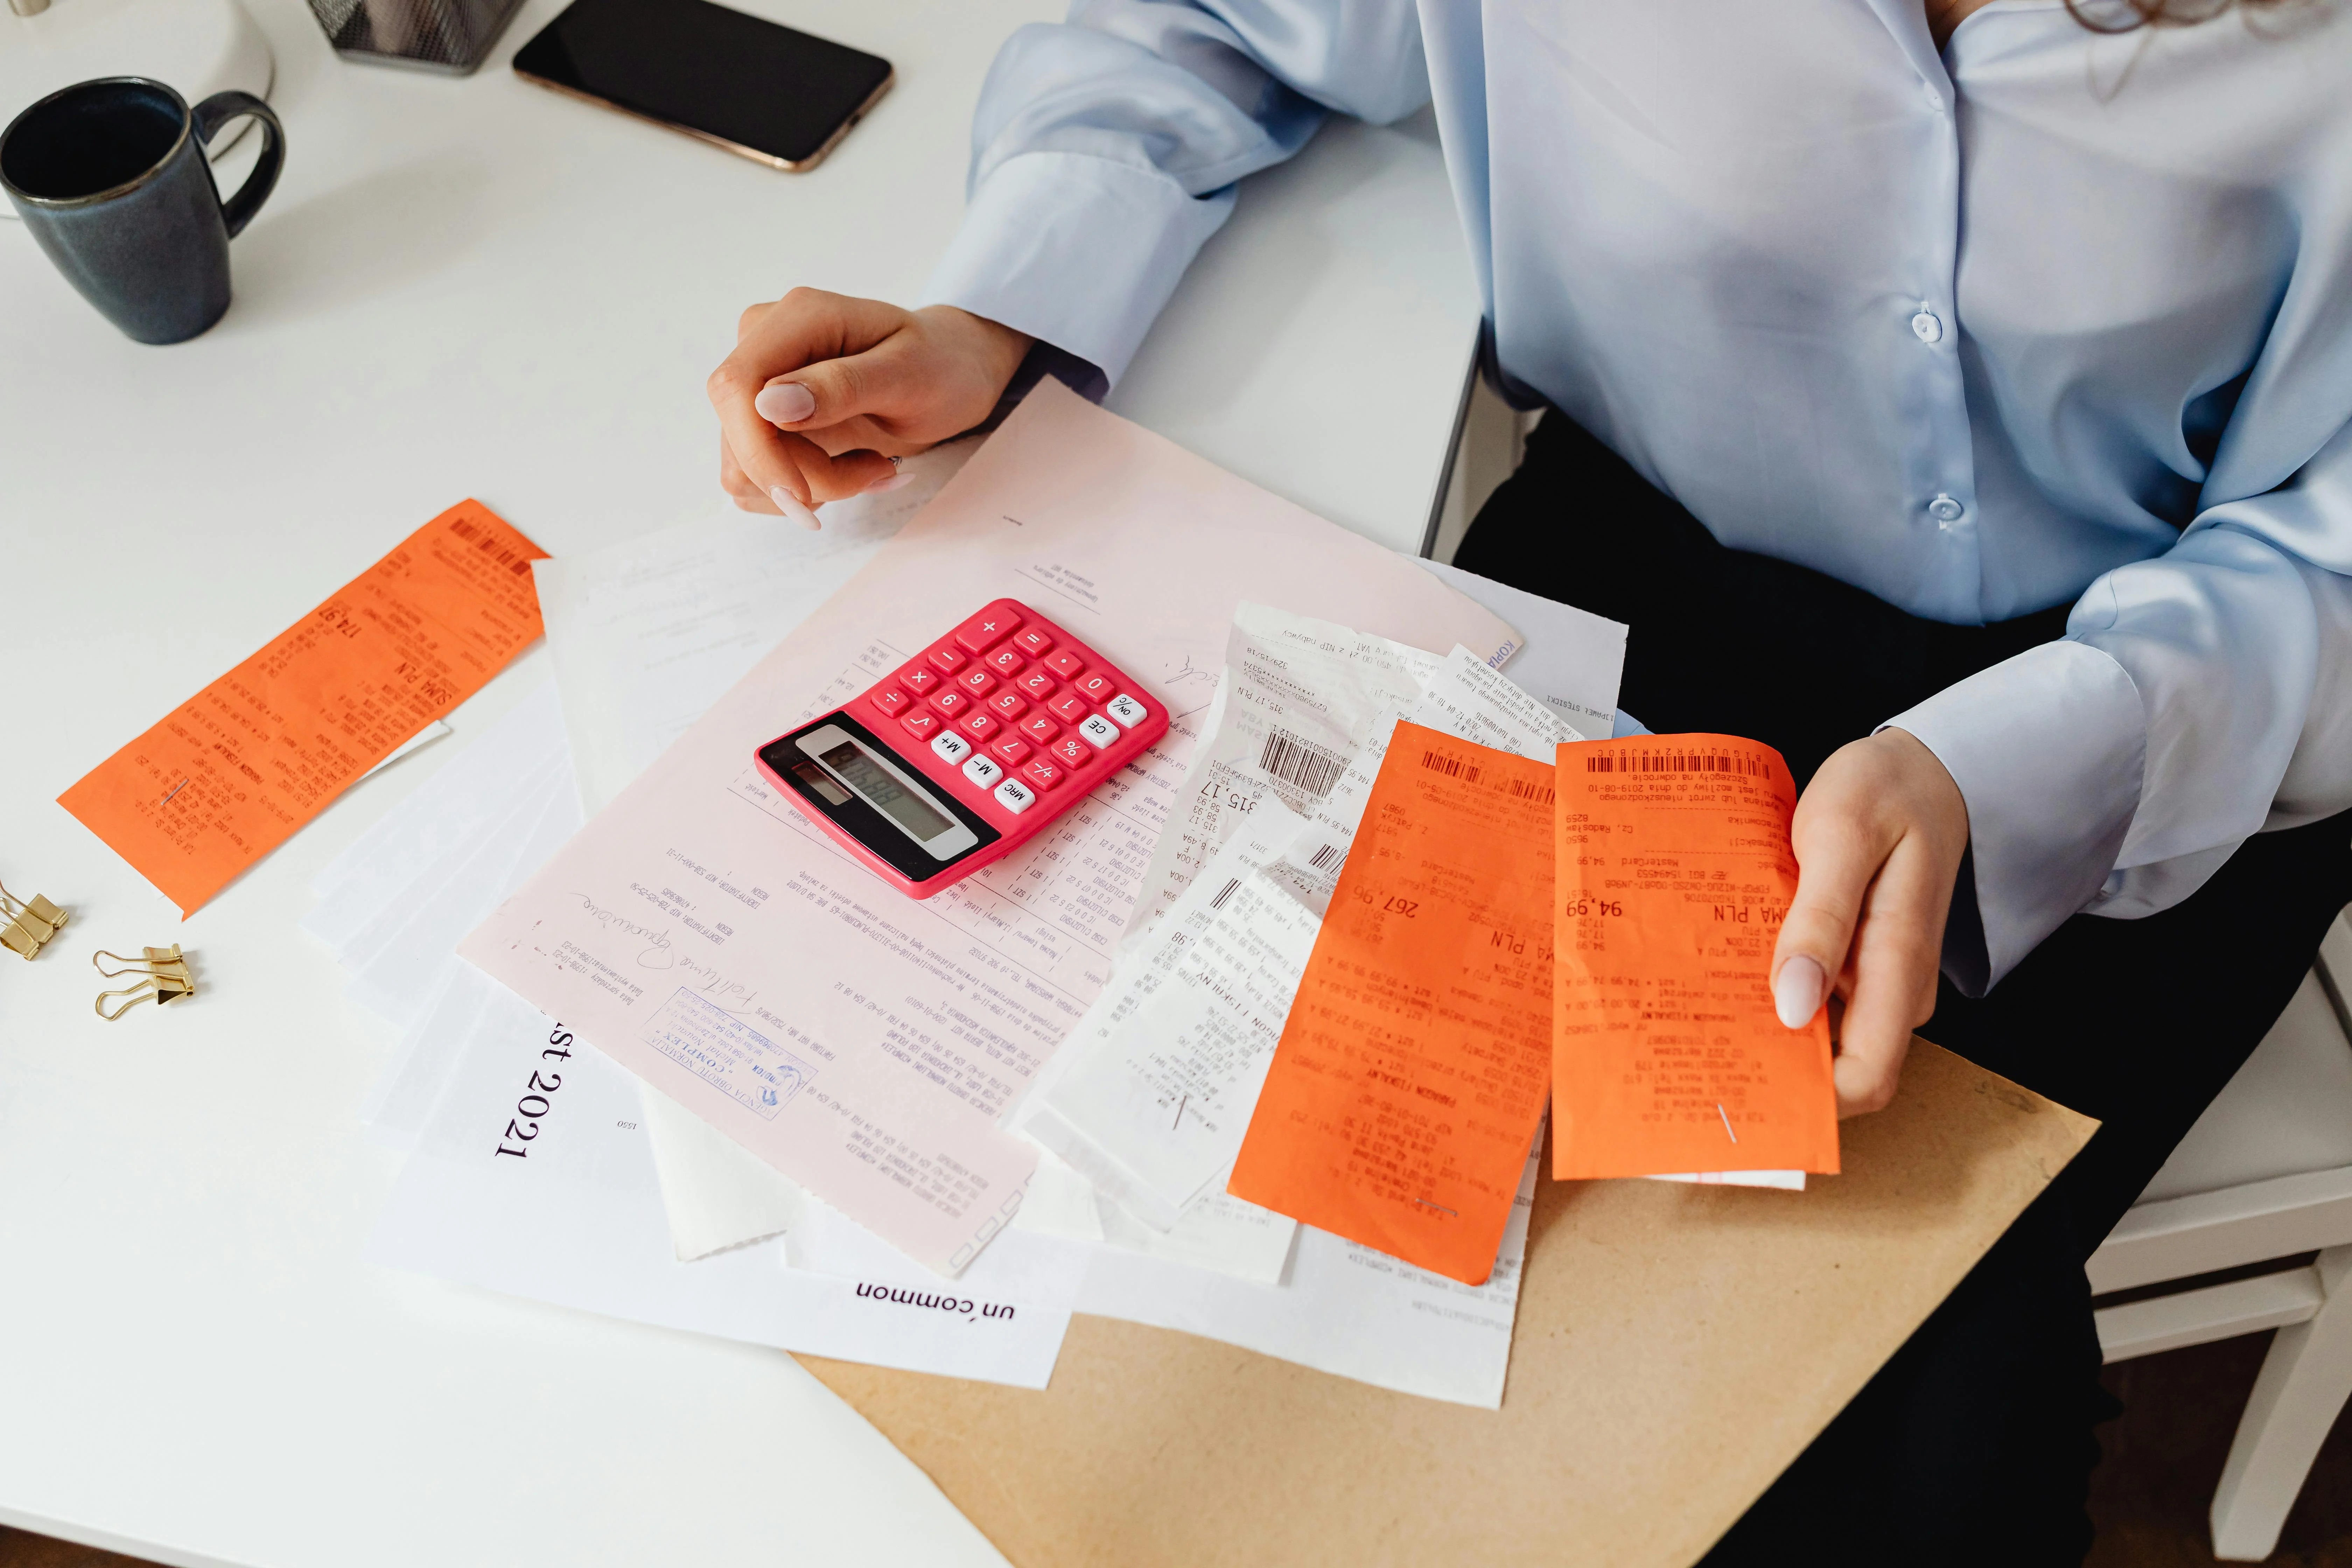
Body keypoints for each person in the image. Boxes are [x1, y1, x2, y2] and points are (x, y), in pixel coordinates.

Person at [707, 1, 2352, 1558]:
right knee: (1300, 1253)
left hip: (2175, 703)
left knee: (1914, 1409)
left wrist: (2006, 769)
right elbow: (1205, 20)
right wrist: (1001, 314)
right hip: (1633, 593)